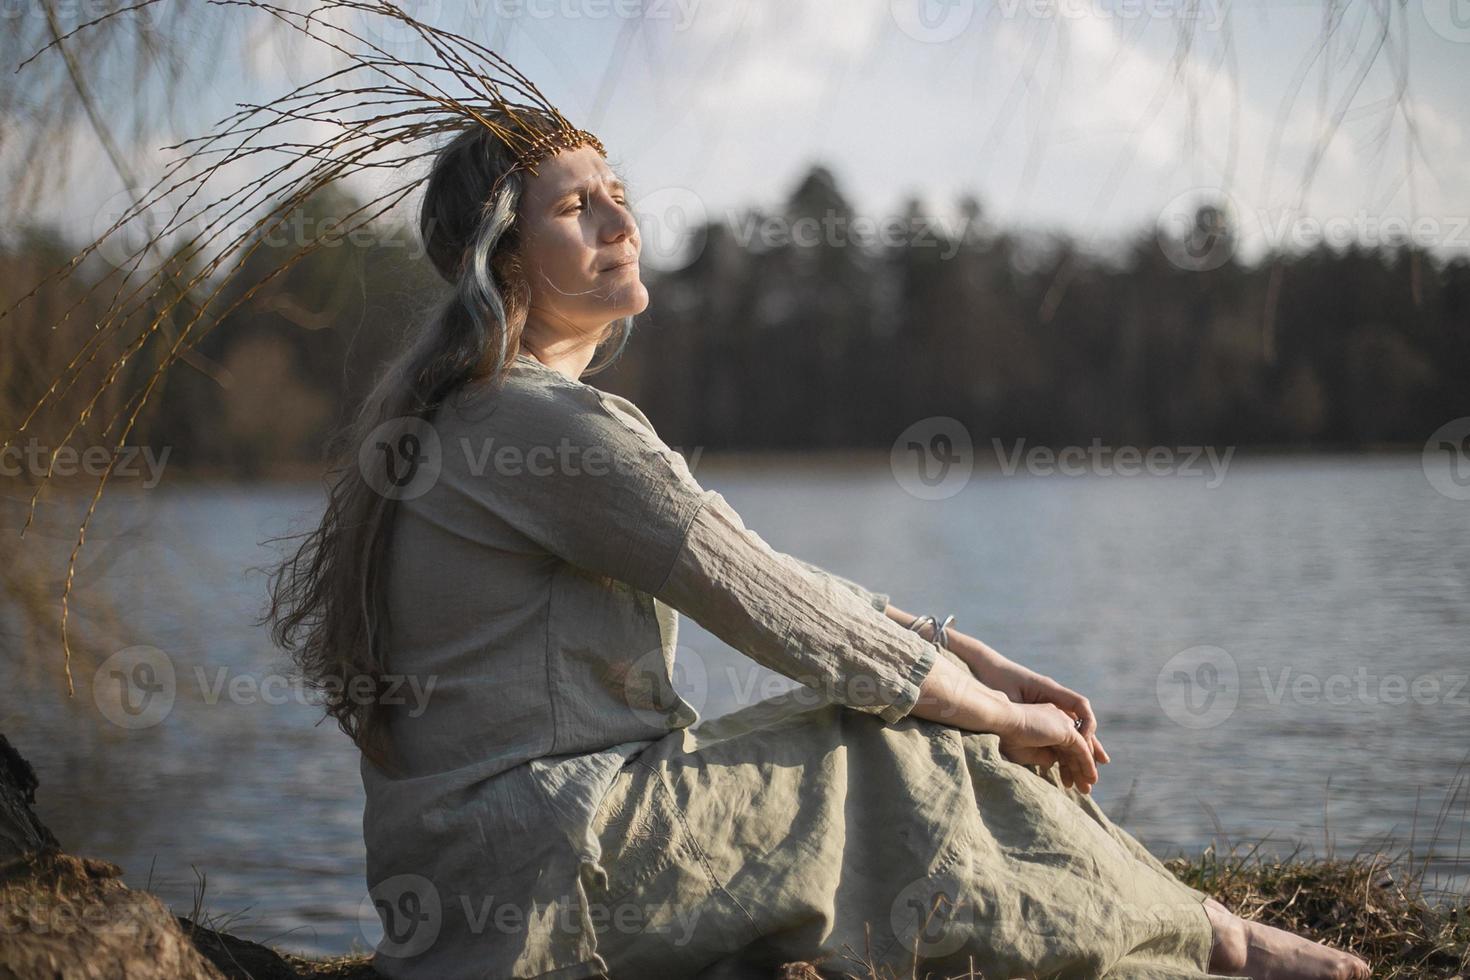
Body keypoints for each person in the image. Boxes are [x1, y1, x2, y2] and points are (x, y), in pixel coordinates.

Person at [265, 109, 1372, 980]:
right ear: (502, 257)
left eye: (620, 197)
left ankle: (1189, 920)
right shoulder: (538, 425)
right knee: (895, 743)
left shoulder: (477, 413)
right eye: (576, 210)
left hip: (472, 887)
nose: (620, 224)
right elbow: (781, 613)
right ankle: (1215, 945)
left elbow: (767, 573)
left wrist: (975, 659)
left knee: (912, 718)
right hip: (550, 879)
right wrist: (993, 710)